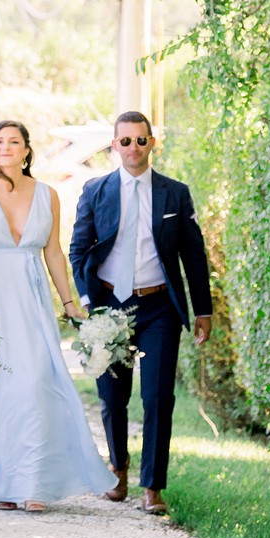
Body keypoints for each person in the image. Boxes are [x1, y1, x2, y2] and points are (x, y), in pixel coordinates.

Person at [70, 111, 213, 515]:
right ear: (114, 145)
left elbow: (193, 254)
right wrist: (86, 300)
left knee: (157, 397)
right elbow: (79, 248)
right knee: (112, 397)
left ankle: (153, 485)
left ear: (152, 143)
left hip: (158, 308)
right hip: (110, 307)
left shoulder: (175, 193)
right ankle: (118, 470)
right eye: (125, 141)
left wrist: (203, 309)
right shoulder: (95, 190)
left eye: (140, 140)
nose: (133, 147)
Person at [0, 121, 116, 513]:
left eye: (13, 141)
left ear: (27, 151)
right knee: (0, 395)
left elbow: (53, 252)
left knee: (35, 386)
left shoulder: (48, 195)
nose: (5, 147)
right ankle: (5, 484)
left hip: (33, 306)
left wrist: (70, 303)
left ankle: (34, 483)